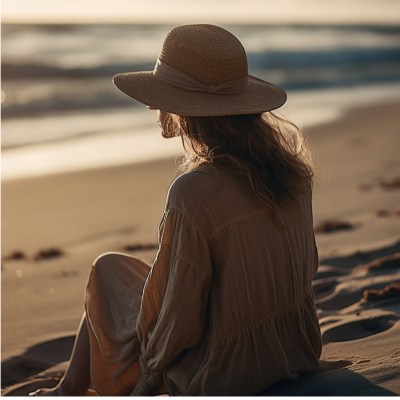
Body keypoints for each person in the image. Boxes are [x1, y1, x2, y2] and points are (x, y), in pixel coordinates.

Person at [30, 24, 321, 396]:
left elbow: (178, 322)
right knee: (115, 269)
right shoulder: (293, 173)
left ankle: (68, 390)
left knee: (106, 275)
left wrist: (149, 378)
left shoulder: (194, 192)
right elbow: (305, 265)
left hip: (223, 371)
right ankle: (68, 387)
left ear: (181, 109)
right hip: (294, 349)